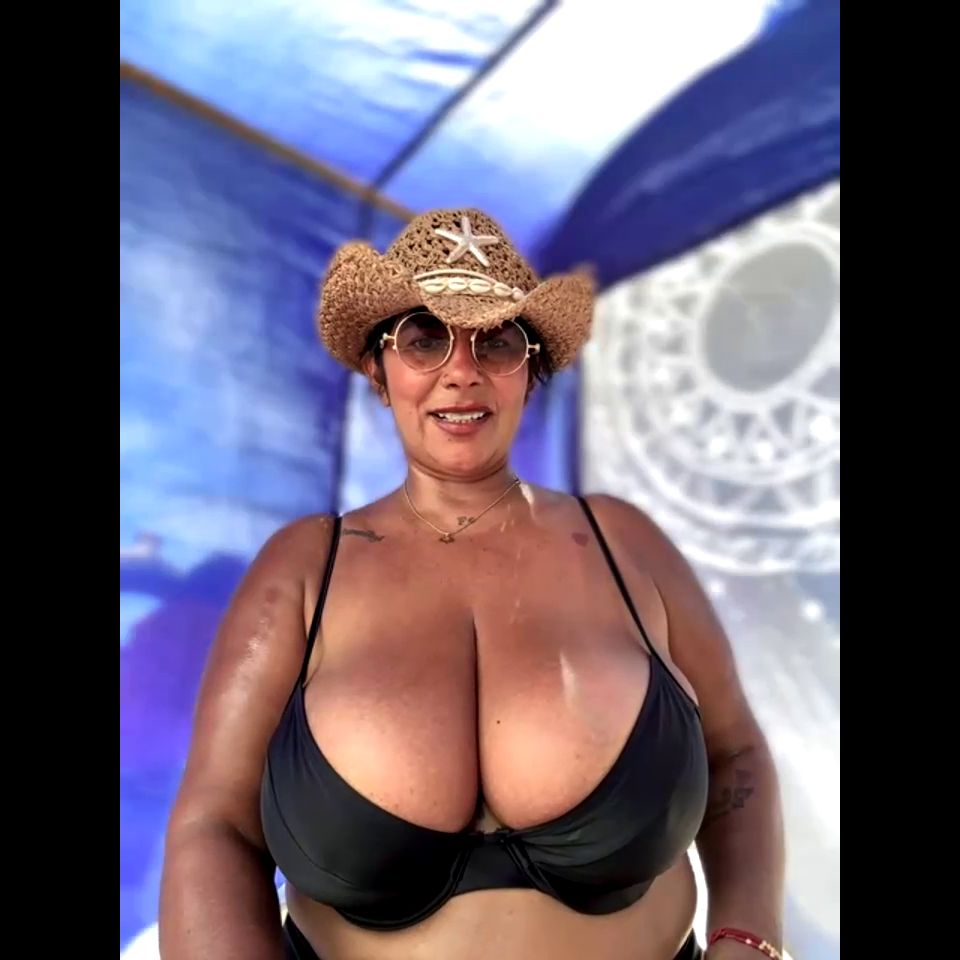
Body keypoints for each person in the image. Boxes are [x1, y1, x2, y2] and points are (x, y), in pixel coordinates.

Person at [158, 208, 785, 960]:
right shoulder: (304, 569)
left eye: (497, 340)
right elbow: (215, 825)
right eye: (424, 338)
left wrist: (748, 940)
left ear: (530, 370)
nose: (462, 370)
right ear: (378, 371)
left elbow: (735, 751)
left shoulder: (625, 544)